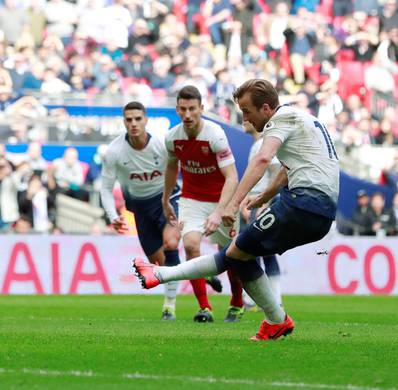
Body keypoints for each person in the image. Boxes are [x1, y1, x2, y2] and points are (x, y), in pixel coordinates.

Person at [134, 79, 340, 341]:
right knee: (239, 252)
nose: (245, 119)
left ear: (266, 108)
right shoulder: (305, 120)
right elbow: (288, 171)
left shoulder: (281, 120)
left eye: (247, 111)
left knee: (236, 253)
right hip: (321, 212)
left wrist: (232, 204)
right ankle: (274, 320)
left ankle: (163, 275)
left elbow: (263, 159)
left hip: (303, 203)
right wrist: (264, 196)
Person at [162, 86, 244, 323]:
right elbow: (171, 167)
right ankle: (205, 308)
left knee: (230, 255)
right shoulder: (172, 137)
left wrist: (220, 211)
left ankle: (237, 303)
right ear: (177, 109)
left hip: (223, 200)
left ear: (201, 109)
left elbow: (232, 177)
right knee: (190, 244)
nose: (187, 114)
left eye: (192, 109)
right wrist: (166, 198)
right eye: (183, 109)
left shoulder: (215, 135)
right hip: (192, 199)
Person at [100, 101, 182, 320]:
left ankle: (169, 306)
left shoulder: (161, 145)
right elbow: (105, 189)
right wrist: (113, 216)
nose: (134, 123)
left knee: (171, 243)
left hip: (167, 198)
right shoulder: (115, 152)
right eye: (129, 119)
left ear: (146, 120)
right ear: (124, 122)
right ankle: (198, 275)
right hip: (140, 208)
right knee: (160, 263)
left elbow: (178, 170)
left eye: (138, 119)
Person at [240, 121, 283, 310]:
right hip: (256, 202)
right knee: (265, 251)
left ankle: (255, 298)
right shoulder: (258, 144)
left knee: (252, 250)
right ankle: (274, 297)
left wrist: (264, 203)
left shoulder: (265, 144)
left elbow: (275, 175)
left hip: (262, 202)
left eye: (247, 115)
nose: (244, 120)